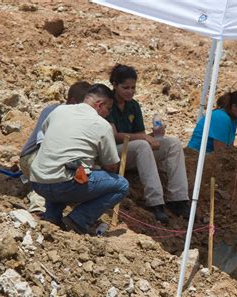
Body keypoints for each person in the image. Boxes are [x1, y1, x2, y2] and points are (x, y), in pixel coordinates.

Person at [30, 84, 129, 234]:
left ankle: (52, 218)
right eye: (108, 109)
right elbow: (111, 166)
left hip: (38, 181)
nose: (108, 114)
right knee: (121, 185)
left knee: (63, 167)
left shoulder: (59, 110)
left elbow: (46, 134)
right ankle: (78, 220)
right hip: (64, 184)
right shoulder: (102, 124)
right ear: (100, 105)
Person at [106, 64, 189, 224]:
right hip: (113, 152)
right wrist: (145, 138)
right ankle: (155, 202)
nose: (130, 91)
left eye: (133, 88)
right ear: (115, 85)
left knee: (173, 143)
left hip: (134, 150)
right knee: (142, 145)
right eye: (125, 87)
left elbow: (140, 134)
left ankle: (178, 198)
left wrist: (154, 135)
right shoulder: (108, 103)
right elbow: (114, 136)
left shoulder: (133, 106)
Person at [19, 81, 91, 213]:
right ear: (73, 102)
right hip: (35, 156)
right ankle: (38, 205)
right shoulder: (53, 111)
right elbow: (44, 145)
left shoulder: (80, 119)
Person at [188, 89, 237, 153]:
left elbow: (229, 148)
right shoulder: (222, 118)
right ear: (234, 107)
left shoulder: (233, 119)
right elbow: (220, 154)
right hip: (196, 158)